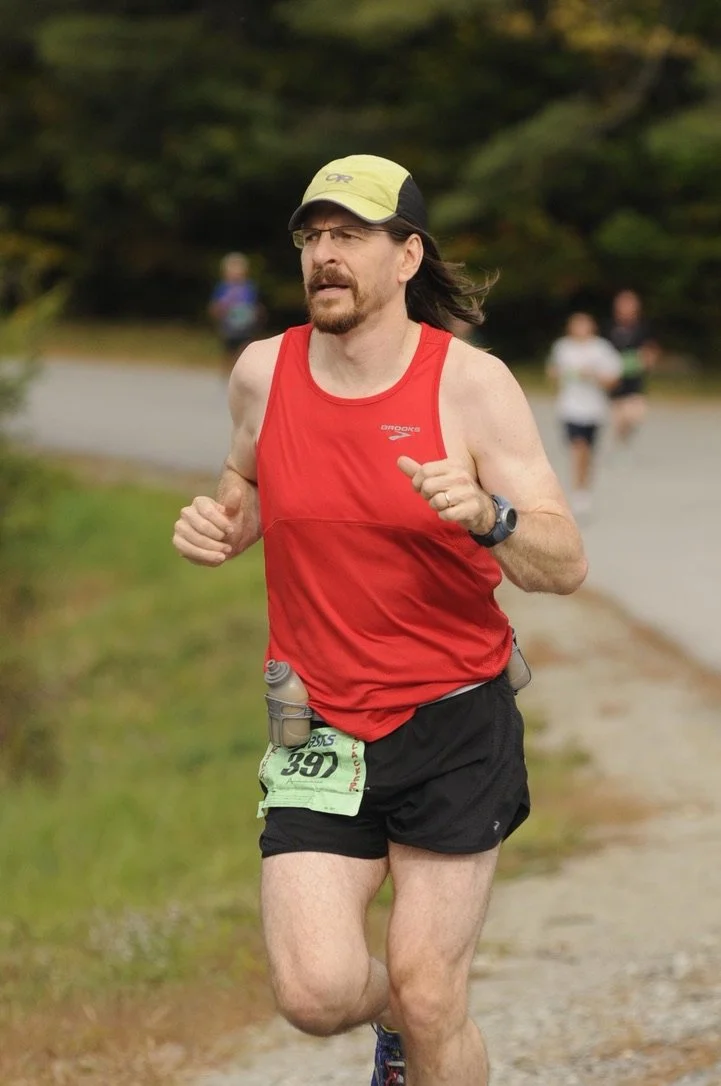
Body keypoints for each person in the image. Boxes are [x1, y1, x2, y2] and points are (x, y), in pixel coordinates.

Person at [172, 153, 587, 1086]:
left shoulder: (469, 386)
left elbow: (564, 563)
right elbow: (248, 476)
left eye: (348, 236)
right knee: (316, 993)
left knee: (435, 992)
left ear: (406, 257)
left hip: (452, 718)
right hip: (315, 721)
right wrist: (223, 521)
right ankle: (395, 1012)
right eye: (312, 237)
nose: (324, 255)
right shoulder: (262, 372)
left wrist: (490, 517)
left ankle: (418, 1014)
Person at [546, 312, 623, 517]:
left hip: (594, 410)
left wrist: (594, 375)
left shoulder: (601, 349)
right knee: (578, 449)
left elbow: (613, 379)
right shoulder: (563, 347)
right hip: (570, 409)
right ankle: (578, 493)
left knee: (587, 453)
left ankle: (584, 488)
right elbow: (553, 372)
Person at [605, 289, 660, 444]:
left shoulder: (643, 328)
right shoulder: (609, 327)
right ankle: (620, 444)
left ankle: (624, 437)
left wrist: (647, 360)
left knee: (635, 414)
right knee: (617, 419)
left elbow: (652, 351)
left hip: (634, 382)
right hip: (614, 381)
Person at [208, 251, 264, 375]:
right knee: (228, 351)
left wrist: (256, 314)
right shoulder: (223, 288)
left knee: (243, 350)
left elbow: (255, 305)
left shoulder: (249, 287)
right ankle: (227, 373)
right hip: (228, 326)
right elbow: (215, 306)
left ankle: (239, 372)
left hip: (246, 326)